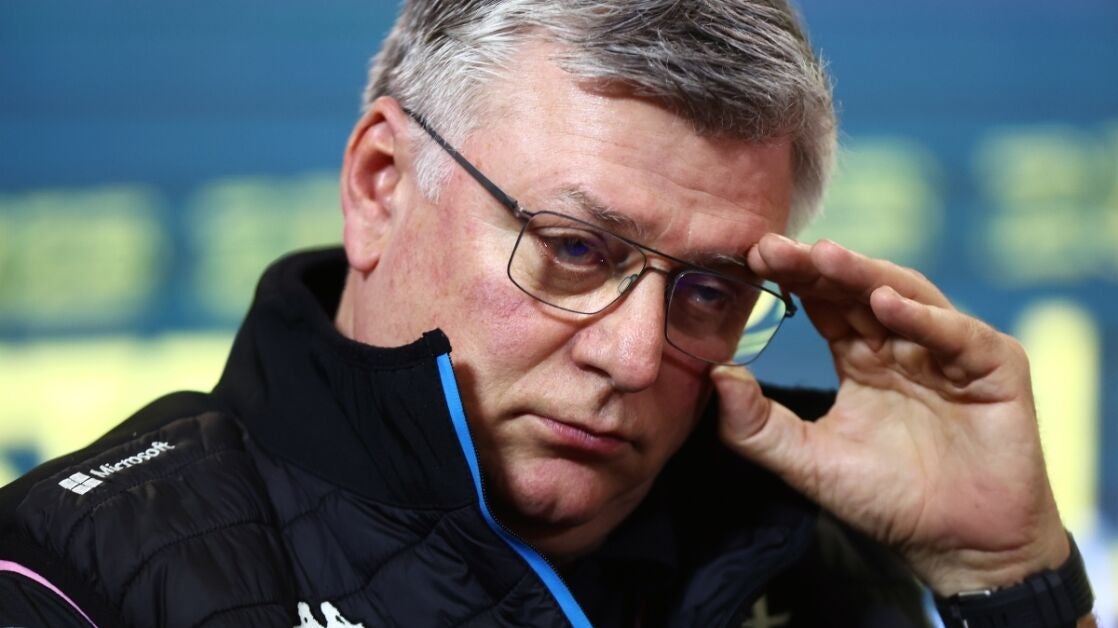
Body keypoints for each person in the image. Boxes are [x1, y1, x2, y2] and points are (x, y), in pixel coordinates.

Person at [0, 1, 1096, 626]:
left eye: (708, 291)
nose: (632, 356)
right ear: (381, 185)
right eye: (575, 249)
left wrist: (1012, 580)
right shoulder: (70, 575)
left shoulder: (829, 560)